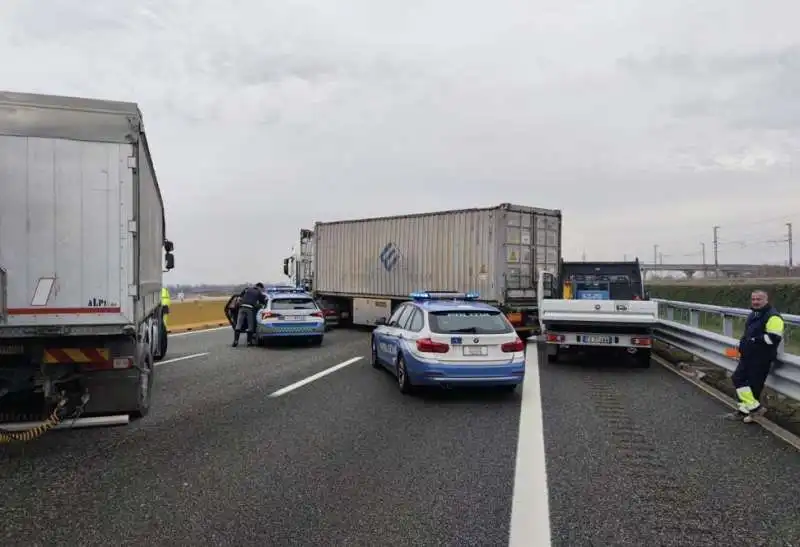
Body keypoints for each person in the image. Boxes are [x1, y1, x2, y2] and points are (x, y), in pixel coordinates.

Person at [729, 289, 785, 423]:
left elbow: (774, 338)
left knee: (753, 385)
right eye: (753, 299)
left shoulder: (773, 317)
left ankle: (750, 410)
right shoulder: (754, 314)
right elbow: (748, 334)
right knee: (738, 379)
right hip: (748, 355)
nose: (755, 302)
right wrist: (742, 346)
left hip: (761, 358)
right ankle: (751, 409)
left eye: (758, 299)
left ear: (766, 300)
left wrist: (754, 341)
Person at [233, 282, 266, 347]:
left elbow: (239, 298)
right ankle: (249, 342)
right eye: (261, 289)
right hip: (250, 309)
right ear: (259, 287)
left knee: (238, 324)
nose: (261, 290)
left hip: (242, 307)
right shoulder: (258, 292)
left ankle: (235, 341)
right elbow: (263, 302)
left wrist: (237, 305)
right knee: (250, 326)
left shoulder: (247, 289)